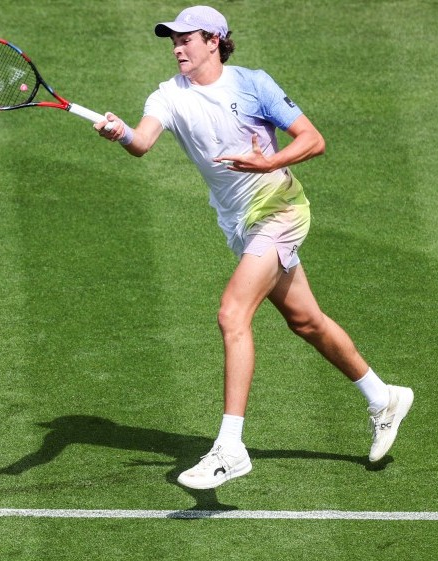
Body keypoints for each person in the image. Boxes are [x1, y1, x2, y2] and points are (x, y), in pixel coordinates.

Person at [95, 5, 413, 490]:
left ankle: (230, 447)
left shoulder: (253, 84)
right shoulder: (167, 96)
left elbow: (313, 140)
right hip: (239, 223)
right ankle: (382, 397)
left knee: (232, 313)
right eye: (173, 40)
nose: (178, 47)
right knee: (305, 321)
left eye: (188, 38)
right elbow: (142, 143)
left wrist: (268, 164)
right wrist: (119, 133)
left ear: (214, 40)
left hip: (281, 209)